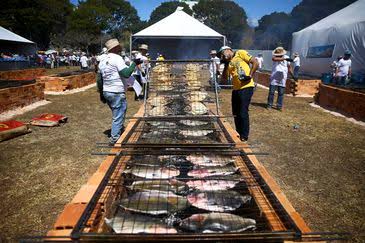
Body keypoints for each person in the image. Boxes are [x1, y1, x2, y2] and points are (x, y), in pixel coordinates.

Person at [97, 38, 143, 145]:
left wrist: (101, 93)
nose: (121, 47)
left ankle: (118, 131)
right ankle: (115, 139)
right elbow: (126, 73)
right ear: (115, 48)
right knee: (118, 114)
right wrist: (134, 64)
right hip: (116, 91)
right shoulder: (117, 58)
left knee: (117, 112)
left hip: (107, 90)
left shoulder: (103, 60)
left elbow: (99, 79)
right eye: (119, 46)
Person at [219, 46, 258, 142]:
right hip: (236, 89)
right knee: (235, 112)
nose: (222, 56)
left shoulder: (240, 53)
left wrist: (250, 75)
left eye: (222, 53)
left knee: (242, 111)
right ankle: (238, 132)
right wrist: (225, 64)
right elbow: (224, 78)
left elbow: (255, 63)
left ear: (228, 50)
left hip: (246, 86)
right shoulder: (229, 63)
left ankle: (244, 135)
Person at [267, 47, 294, 111]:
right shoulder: (275, 57)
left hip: (282, 77)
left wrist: (293, 75)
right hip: (274, 77)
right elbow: (274, 59)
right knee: (271, 92)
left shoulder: (286, 57)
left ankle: (279, 106)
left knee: (281, 93)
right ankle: (269, 105)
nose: (278, 55)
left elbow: (289, 67)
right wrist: (284, 59)